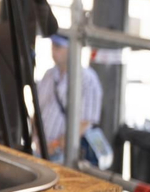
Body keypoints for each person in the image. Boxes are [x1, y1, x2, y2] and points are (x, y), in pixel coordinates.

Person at [35, 34, 102, 165]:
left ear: (72, 49)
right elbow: (38, 110)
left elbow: (85, 122)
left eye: (58, 47)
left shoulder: (88, 80)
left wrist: (55, 145)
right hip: (40, 150)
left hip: (65, 156)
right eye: (52, 46)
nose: (53, 51)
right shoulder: (49, 74)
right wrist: (36, 139)